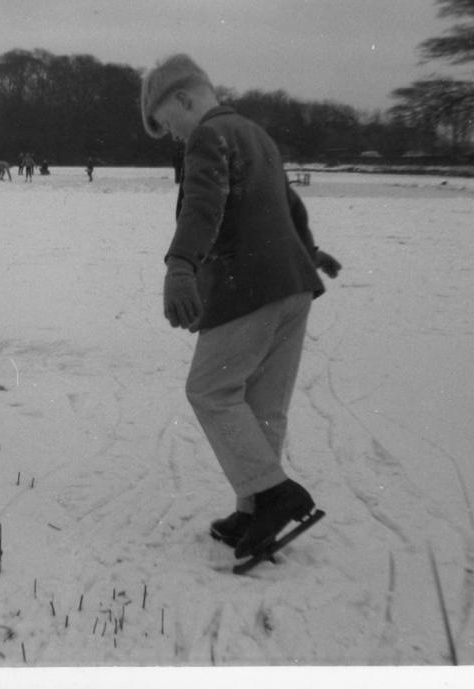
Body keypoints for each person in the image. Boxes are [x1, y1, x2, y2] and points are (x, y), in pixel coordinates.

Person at [140, 54, 341, 560]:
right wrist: (310, 251)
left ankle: (273, 494)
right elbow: (289, 205)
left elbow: (203, 207)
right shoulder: (255, 133)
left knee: (209, 389)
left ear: (185, 99)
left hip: (248, 287)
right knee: (262, 405)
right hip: (294, 286)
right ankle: (254, 512)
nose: (177, 138)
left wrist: (180, 266)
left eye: (169, 125)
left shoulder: (209, 135)